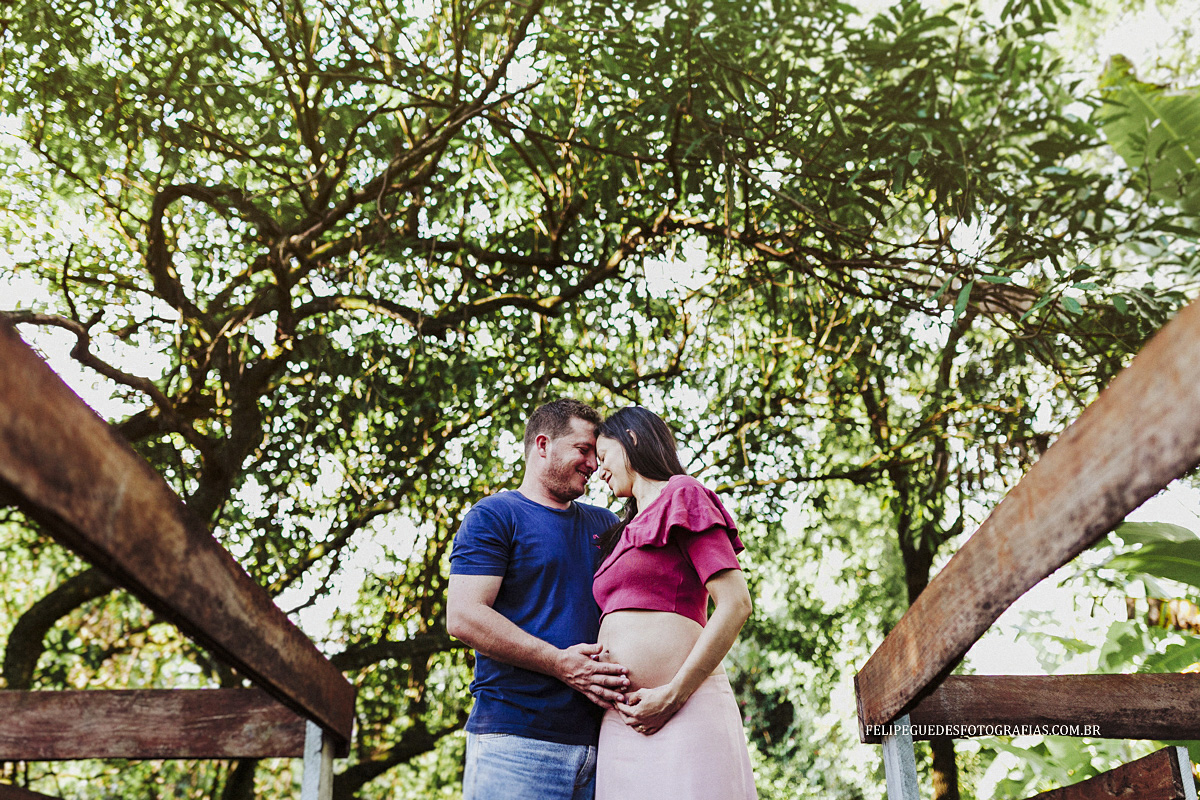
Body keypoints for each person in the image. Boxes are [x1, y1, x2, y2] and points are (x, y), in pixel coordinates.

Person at [446, 398, 631, 800]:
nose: (593, 465)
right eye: (583, 450)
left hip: (606, 746)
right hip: (514, 744)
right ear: (543, 445)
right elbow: (463, 616)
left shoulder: (606, 524)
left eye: (597, 455)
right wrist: (560, 663)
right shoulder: (494, 515)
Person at [591, 406, 757, 800]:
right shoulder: (621, 532)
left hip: (685, 707)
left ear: (630, 439)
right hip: (622, 723)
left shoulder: (682, 494)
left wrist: (672, 695)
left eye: (603, 457)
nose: (598, 471)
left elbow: (735, 603)